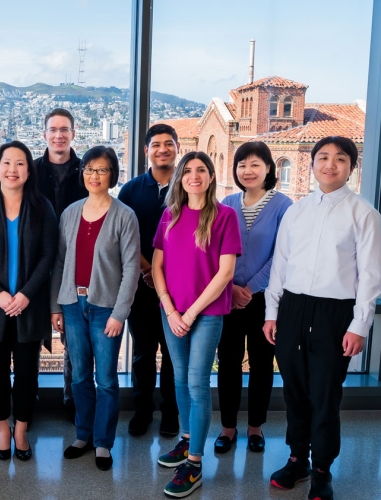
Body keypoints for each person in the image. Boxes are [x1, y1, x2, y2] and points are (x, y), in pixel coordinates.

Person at [263, 136, 381, 500]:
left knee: (325, 393)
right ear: (313, 164)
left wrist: (358, 325)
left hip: (335, 312)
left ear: (351, 167)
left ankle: (322, 470)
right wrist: (272, 313)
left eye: (341, 159)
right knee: (295, 391)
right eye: (323, 157)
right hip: (293, 308)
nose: (330, 164)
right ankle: (297, 458)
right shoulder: (297, 211)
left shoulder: (363, 213)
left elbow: (371, 276)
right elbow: (280, 266)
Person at [152, 151, 241, 498]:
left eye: (201, 170)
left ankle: (195, 462)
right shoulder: (169, 215)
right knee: (178, 376)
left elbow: (226, 273)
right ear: (180, 178)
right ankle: (186, 438)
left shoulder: (225, 216)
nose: (194, 175)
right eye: (187, 170)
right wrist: (171, 309)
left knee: (196, 382)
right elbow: (157, 266)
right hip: (171, 310)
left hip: (207, 314)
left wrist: (189, 314)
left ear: (210, 176)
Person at [0, 141, 58, 462]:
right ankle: (2, 429)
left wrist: (25, 295)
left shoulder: (42, 207)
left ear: (28, 170)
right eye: (7, 163)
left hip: (29, 306)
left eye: (20, 163)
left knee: (28, 372)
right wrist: (0, 294)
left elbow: (49, 255)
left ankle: (21, 430)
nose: (12, 169)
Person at [51, 146, 140, 471]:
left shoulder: (124, 215)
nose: (94, 175)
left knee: (105, 379)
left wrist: (119, 314)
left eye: (102, 170)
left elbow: (131, 269)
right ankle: (83, 434)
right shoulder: (71, 213)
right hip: (72, 304)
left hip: (105, 309)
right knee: (78, 378)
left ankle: (103, 442)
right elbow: (60, 263)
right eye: (89, 169)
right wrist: (55, 306)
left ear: (112, 175)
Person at [215, 141, 292, 454]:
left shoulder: (284, 206)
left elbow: (283, 255)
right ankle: (228, 427)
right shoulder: (227, 202)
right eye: (242, 164)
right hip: (227, 296)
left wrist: (252, 287)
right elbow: (215, 250)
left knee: (262, 364)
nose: (247, 170)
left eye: (255, 164)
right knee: (228, 363)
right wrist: (232, 287)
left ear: (269, 168)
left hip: (266, 300)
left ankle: (256, 427)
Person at [118, 123, 181, 437]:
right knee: (143, 353)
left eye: (168, 144)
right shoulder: (131, 190)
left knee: (172, 355)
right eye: (156, 144)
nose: (162, 149)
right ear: (146, 151)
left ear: (177, 148)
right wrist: (147, 271)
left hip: (180, 289)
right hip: (142, 288)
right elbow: (126, 239)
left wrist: (168, 278)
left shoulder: (188, 186)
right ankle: (142, 410)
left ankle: (171, 413)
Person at [36, 108, 89, 422]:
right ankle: (28, 400)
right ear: (44, 134)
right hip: (37, 266)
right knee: (29, 337)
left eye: (64, 129)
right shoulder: (29, 170)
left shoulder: (86, 171)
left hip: (75, 266)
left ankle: (73, 402)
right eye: (53, 130)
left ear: (73, 133)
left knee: (75, 340)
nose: (58, 135)